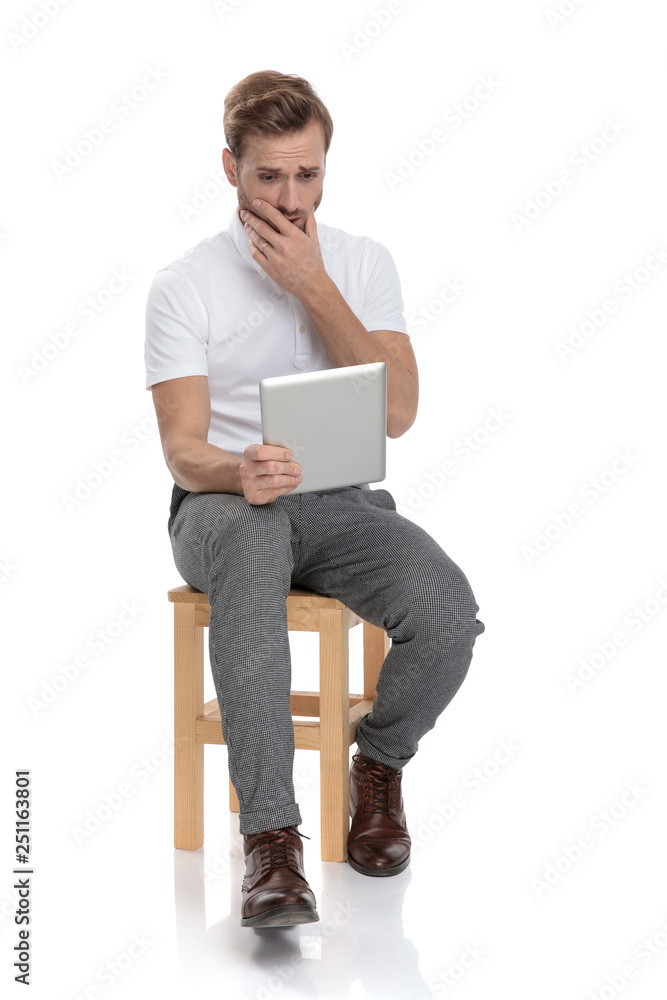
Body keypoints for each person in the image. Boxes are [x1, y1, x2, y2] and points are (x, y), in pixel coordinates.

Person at [144, 70, 485, 929]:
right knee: (254, 545)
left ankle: (377, 764)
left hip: (337, 504)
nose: (289, 197)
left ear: (326, 166)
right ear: (230, 169)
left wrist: (312, 284)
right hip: (221, 507)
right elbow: (183, 448)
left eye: (307, 174)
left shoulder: (363, 264)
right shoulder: (185, 283)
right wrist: (236, 472)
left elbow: (399, 413)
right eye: (268, 176)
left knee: (446, 609)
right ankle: (272, 843)